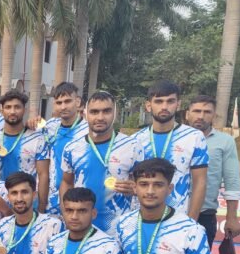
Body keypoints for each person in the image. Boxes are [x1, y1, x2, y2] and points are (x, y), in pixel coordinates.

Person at [60, 91, 143, 235]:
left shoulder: (132, 146)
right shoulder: (72, 148)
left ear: (115, 113)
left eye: (106, 111)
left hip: (119, 229)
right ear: (85, 114)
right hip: (82, 228)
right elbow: (67, 182)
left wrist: (136, 189)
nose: (100, 117)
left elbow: (144, 185)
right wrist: (66, 214)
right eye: (94, 112)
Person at [129, 80, 208, 219]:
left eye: (170, 101)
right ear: (148, 106)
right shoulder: (135, 140)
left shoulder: (194, 137)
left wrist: (191, 221)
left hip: (178, 217)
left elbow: (200, 182)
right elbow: (131, 180)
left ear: (178, 105)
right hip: (141, 218)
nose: (164, 106)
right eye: (158, 101)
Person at [185, 95, 240, 247]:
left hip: (204, 214)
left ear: (214, 116)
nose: (201, 116)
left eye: (207, 112)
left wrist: (232, 217)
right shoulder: (174, 139)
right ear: (187, 114)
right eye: (196, 111)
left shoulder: (225, 141)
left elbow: (232, 180)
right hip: (171, 212)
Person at [30, 82, 89, 216]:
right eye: (59, 102)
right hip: (51, 197)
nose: (63, 106)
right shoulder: (50, 126)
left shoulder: (88, 131)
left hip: (77, 197)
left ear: (77, 102)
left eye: (67, 101)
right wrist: (30, 123)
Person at [0, 90, 50, 211]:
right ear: (1, 110)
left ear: (24, 110)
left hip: (26, 203)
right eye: (8, 107)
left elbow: (43, 175)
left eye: (17, 107)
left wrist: (42, 206)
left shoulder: (37, 139)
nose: (12, 111)